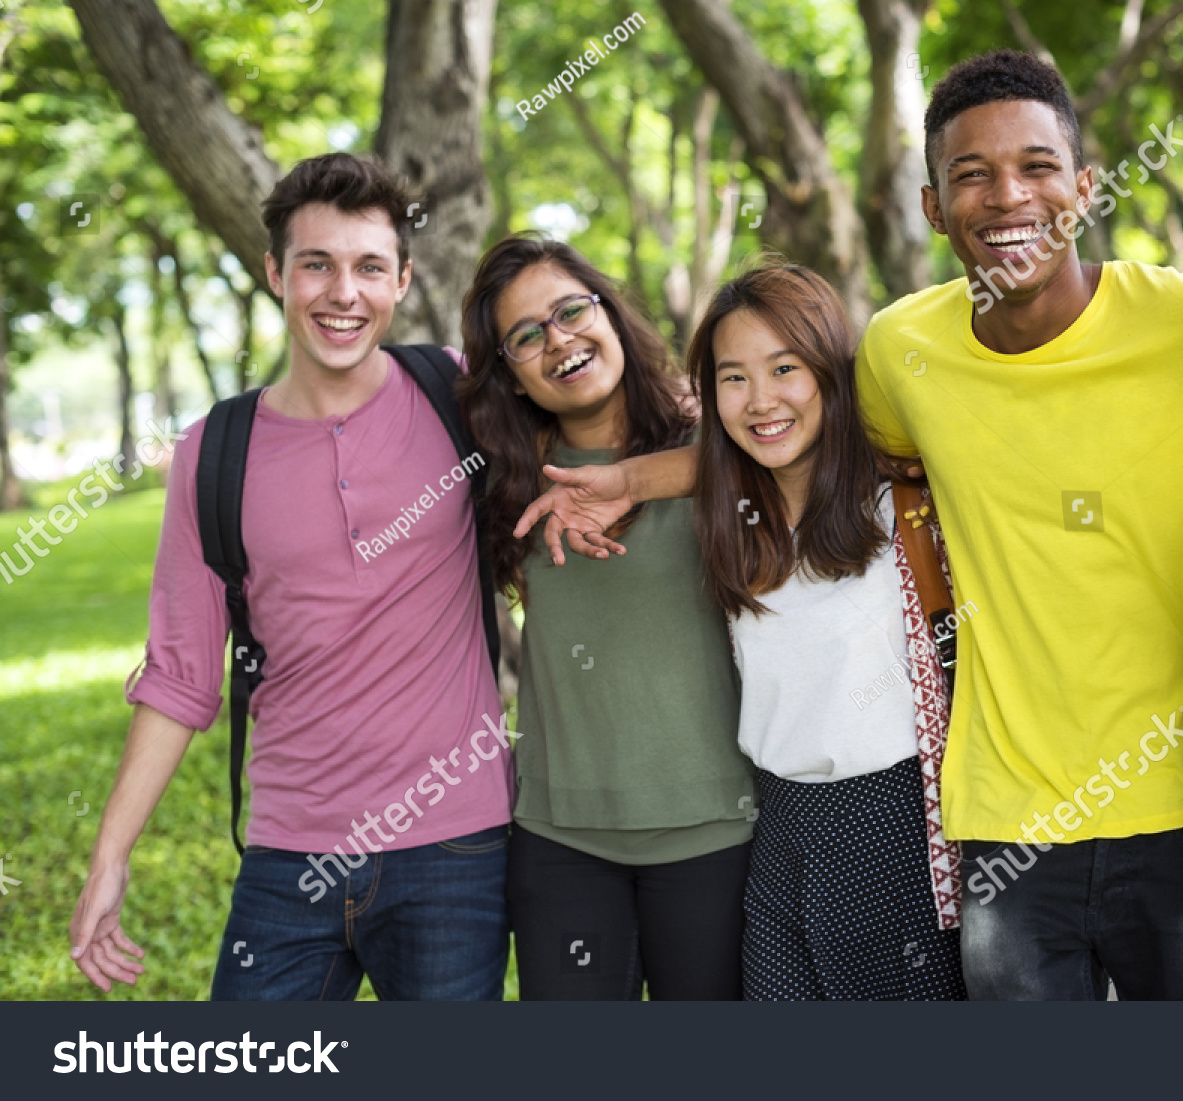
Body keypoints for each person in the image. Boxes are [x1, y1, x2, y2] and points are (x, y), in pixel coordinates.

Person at [512, 52, 1183, 1000]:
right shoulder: (907, 350)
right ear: (935, 208)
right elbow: (790, 436)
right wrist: (636, 477)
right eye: (971, 175)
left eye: (1036, 166)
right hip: (1005, 826)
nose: (1008, 196)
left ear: (1084, 185)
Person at [67, 153, 512, 1000]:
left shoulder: (457, 393)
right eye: (317, 263)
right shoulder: (214, 453)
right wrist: (109, 856)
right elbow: (179, 673)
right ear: (276, 272)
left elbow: (599, 440)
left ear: (401, 279)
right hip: (287, 853)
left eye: (369, 267)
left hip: (455, 849)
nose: (343, 292)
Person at [457, 233, 756, 1000]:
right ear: (511, 376)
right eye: (526, 336)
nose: (558, 339)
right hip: (561, 842)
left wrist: (636, 478)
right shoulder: (503, 479)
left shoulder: (720, 435)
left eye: (570, 310)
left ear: (611, 314)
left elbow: (828, 444)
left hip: (713, 829)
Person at [688, 264, 965, 1000]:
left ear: (831, 373)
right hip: (780, 830)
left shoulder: (901, 508)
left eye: (786, 368)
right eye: (734, 377)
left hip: (894, 824)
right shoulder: (732, 527)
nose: (761, 400)